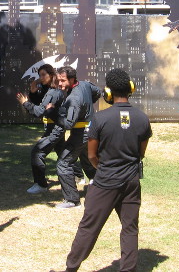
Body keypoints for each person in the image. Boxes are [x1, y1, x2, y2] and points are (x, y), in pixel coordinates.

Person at [61, 69, 152, 272]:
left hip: (105, 181)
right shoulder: (142, 118)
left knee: (89, 227)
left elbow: (92, 155)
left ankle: (71, 268)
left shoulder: (100, 118)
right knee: (130, 228)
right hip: (131, 181)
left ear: (108, 92)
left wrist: (103, 169)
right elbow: (141, 153)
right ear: (130, 89)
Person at [52, 66, 102, 208]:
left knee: (63, 163)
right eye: (58, 80)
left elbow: (69, 123)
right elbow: (98, 92)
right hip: (90, 131)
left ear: (72, 79)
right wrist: (88, 104)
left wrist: (52, 113)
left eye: (63, 80)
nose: (60, 84)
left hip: (81, 133)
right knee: (88, 160)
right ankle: (102, 187)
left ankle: (72, 200)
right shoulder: (85, 85)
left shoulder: (74, 98)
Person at [16, 64, 66, 194]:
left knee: (37, 153)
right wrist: (33, 89)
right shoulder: (49, 89)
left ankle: (41, 184)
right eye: (39, 75)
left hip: (55, 128)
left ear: (51, 75)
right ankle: (77, 175)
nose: (41, 78)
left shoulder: (54, 92)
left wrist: (25, 103)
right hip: (56, 126)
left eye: (43, 75)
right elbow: (40, 102)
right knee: (63, 154)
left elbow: (38, 111)